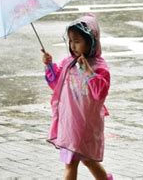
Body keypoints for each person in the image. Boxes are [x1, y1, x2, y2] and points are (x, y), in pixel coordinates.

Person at [41, 13, 112, 180]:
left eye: (78, 41)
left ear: (91, 42)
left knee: (85, 161)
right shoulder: (68, 63)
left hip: (86, 123)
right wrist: (49, 64)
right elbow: (56, 82)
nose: (72, 45)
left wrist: (88, 71)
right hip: (70, 122)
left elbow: (100, 92)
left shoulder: (99, 67)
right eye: (71, 40)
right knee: (74, 161)